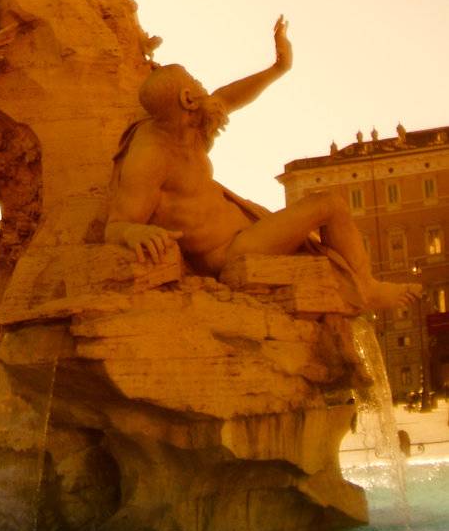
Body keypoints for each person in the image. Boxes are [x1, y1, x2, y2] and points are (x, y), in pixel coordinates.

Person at [105, 17, 421, 312]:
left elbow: (226, 98)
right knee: (330, 205)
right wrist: (133, 232)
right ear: (187, 99)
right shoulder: (150, 155)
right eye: (197, 82)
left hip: (249, 229)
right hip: (231, 252)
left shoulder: (187, 126)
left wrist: (279, 67)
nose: (205, 88)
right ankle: (367, 288)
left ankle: (362, 284)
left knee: (320, 224)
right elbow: (117, 224)